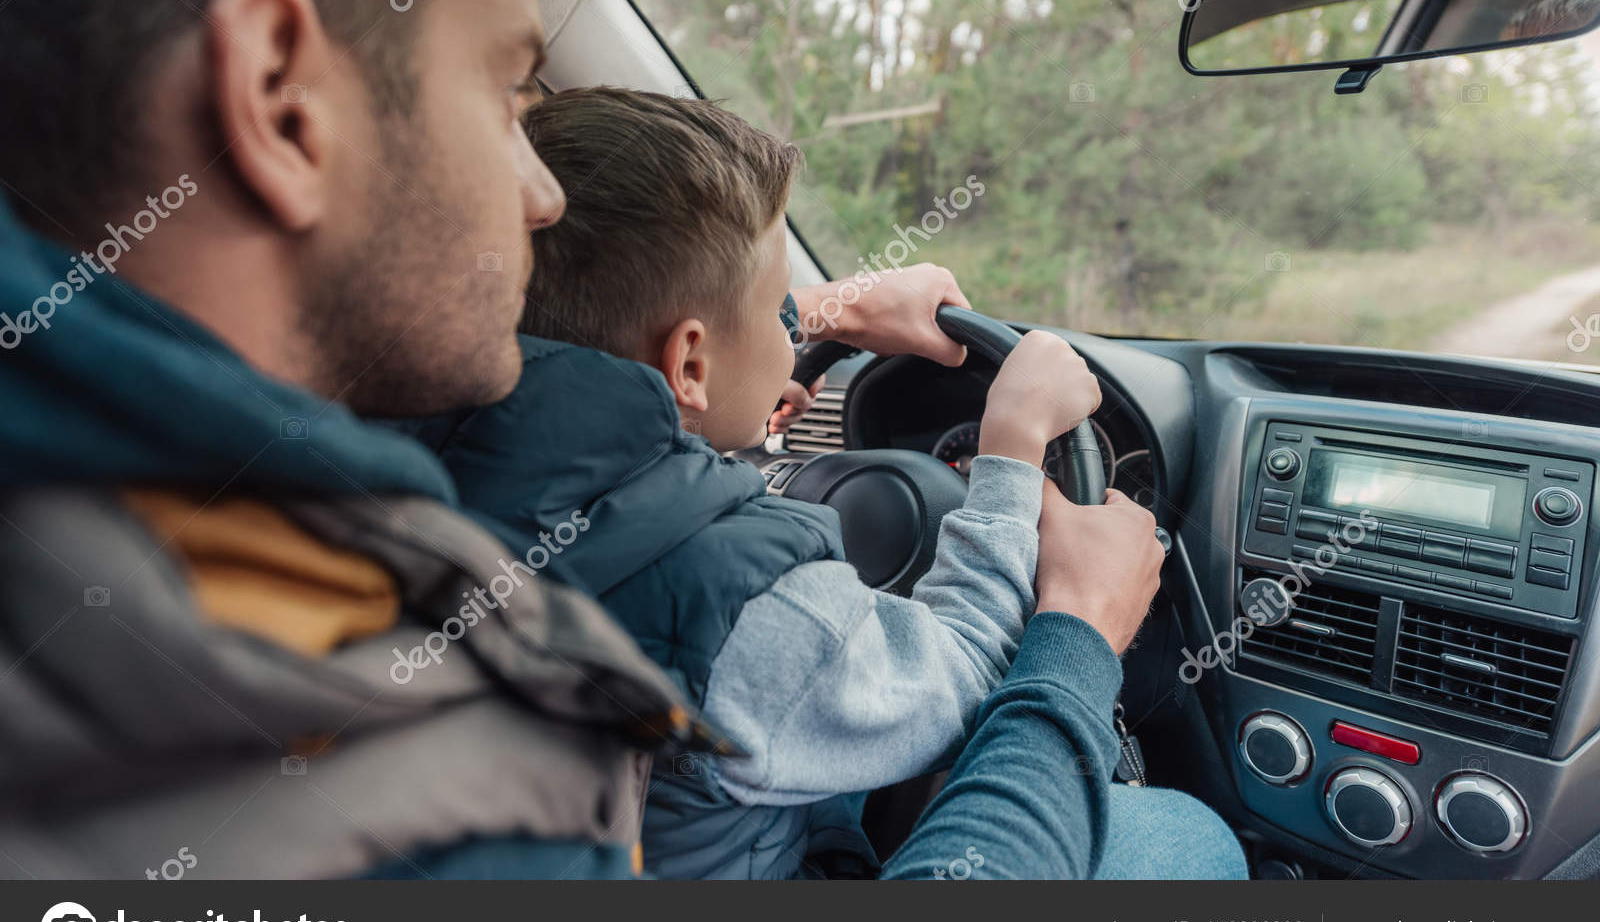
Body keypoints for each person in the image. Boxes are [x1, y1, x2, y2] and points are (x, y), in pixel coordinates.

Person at [0, 0, 1239, 881]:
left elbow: (627, 406)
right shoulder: (458, 804)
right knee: (1183, 842)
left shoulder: (309, 487)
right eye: (505, 96)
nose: (539, 198)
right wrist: (1071, 629)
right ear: (281, 96)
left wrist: (810, 316)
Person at [406, 87, 1246, 879]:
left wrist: (824, 309)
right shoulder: (735, 599)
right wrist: (1015, 463)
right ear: (689, 363)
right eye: (772, 304)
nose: (784, 338)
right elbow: (960, 674)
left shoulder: (406, 449)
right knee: (1188, 837)